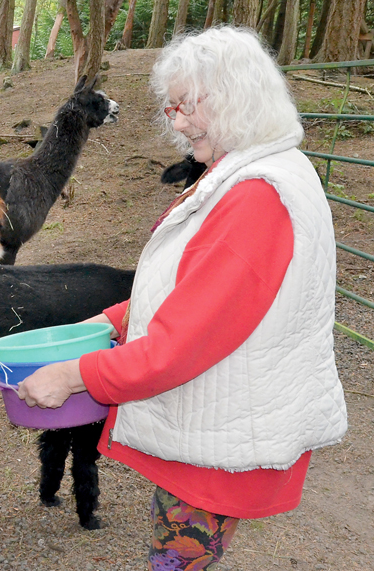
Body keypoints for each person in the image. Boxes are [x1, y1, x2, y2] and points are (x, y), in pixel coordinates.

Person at [17, 26, 348, 571]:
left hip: (222, 433)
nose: (175, 120)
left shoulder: (255, 198)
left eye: (186, 105)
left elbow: (183, 344)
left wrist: (72, 374)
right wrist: (111, 320)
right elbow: (199, 291)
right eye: (170, 107)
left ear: (237, 98)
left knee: (177, 558)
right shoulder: (257, 169)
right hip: (224, 416)